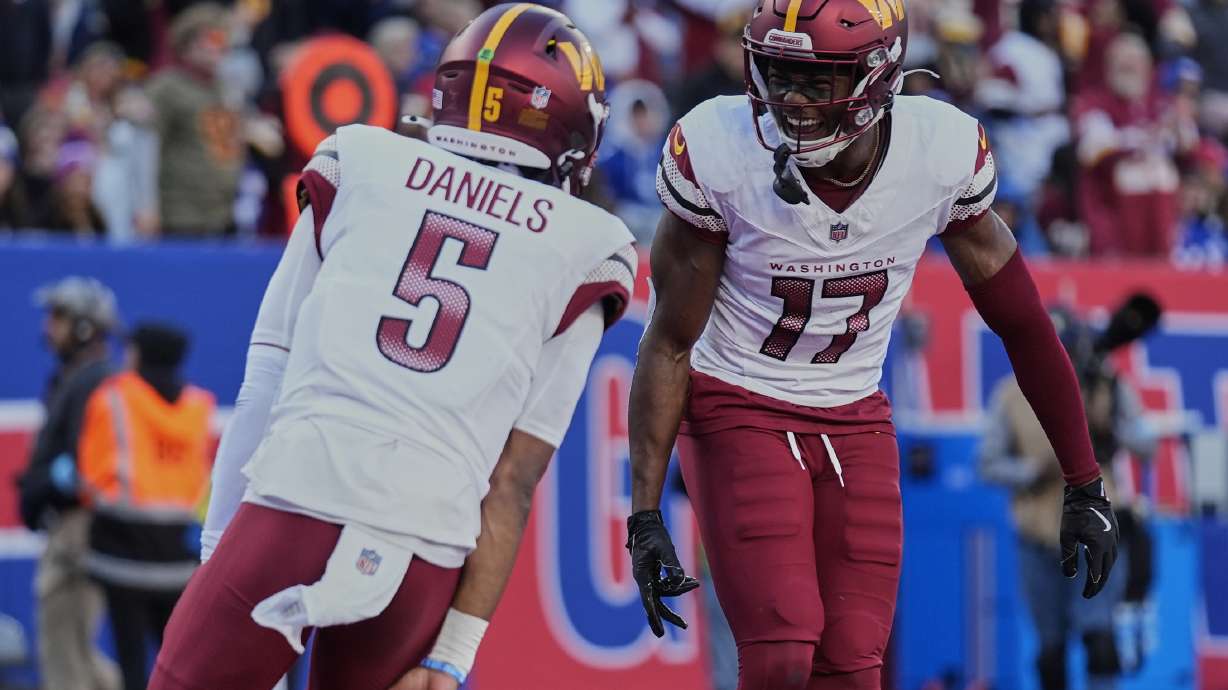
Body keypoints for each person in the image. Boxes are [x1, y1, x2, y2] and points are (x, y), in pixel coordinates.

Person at [625, 2, 1120, 688]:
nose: (789, 100)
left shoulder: (936, 153)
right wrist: (644, 511)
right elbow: (670, 342)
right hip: (740, 401)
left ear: (877, 75)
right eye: (778, 73)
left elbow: (1025, 326)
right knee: (783, 646)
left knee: (855, 662)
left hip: (855, 412)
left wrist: (1083, 480)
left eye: (814, 80)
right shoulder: (721, 149)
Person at [148, 5, 634, 690]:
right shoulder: (590, 245)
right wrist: (454, 654)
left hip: (300, 498)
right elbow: (513, 482)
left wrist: (221, 549)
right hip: (427, 542)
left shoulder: (362, 158)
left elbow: (268, 373)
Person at [981, 305, 1156, 690]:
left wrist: (1111, 431)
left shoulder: (1105, 384)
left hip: (1094, 533)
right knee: (1050, 650)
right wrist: (1031, 471)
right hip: (1039, 537)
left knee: (1099, 637)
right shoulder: (1011, 395)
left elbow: (1147, 443)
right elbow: (988, 462)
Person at [77, 323, 214, 690]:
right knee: (178, 662)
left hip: (121, 558)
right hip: (178, 560)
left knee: (132, 664)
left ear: (139, 354)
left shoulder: (113, 398)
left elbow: (89, 480)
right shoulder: (199, 406)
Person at [16, 276, 120, 690]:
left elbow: (86, 467)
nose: (48, 327)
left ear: (84, 326)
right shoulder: (80, 378)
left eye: (58, 317)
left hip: (78, 531)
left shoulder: (95, 380)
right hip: (72, 528)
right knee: (75, 653)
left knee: (65, 655)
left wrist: (47, 485)